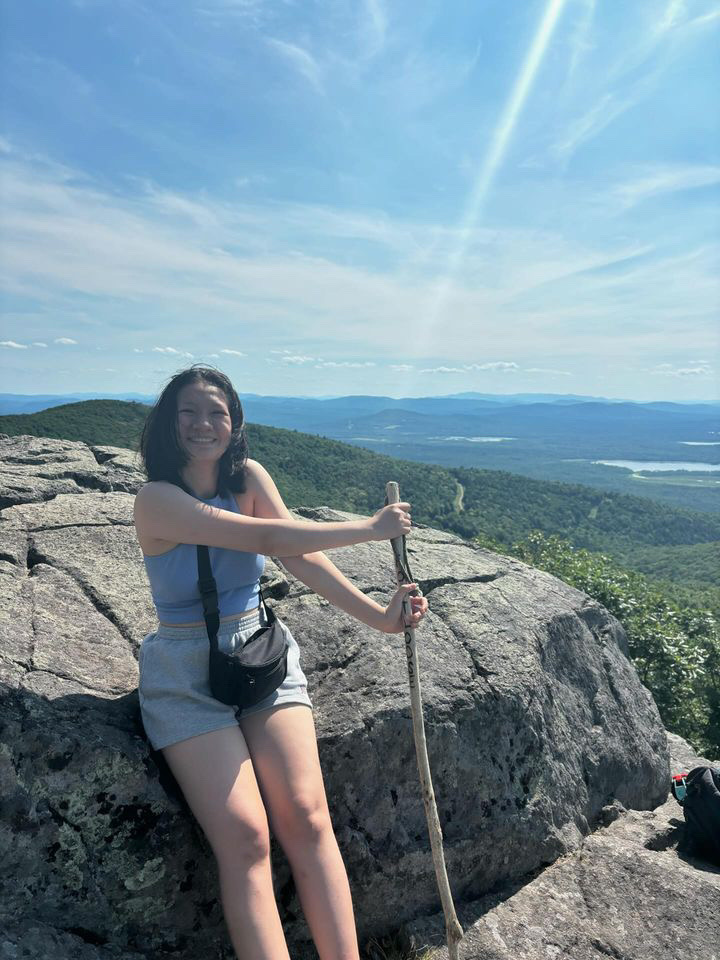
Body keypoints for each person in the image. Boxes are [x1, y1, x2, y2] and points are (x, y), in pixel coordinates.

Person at [134, 365, 429, 960]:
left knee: (307, 817)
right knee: (245, 840)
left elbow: (301, 556)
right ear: (168, 423)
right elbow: (265, 540)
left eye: (216, 411)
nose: (203, 424)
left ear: (235, 421)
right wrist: (371, 529)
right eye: (188, 411)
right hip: (185, 676)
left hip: (260, 651)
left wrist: (380, 615)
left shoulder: (250, 477)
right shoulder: (157, 499)